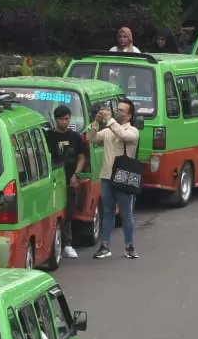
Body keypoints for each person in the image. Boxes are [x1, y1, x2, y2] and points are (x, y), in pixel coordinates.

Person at [87, 98, 140, 259]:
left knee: (126, 213)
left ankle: (129, 246)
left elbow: (123, 135)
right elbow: (92, 138)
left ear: (129, 116)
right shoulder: (109, 129)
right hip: (106, 175)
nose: (118, 112)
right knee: (108, 212)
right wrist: (96, 122)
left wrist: (109, 119)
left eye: (122, 111)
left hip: (123, 176)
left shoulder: (133, 131)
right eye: (117, 109)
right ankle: (104, 245)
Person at [46, 104, 86, 260]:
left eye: (67, 119)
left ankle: (67, 244)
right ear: (56, 120)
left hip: (69, 179)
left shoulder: (75, 137)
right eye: (62, 119)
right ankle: (53, 245)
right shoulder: (49, 136)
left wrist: (76, 174)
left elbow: (81, 157)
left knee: (68, 212)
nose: (65, 122)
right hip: (53, 181)